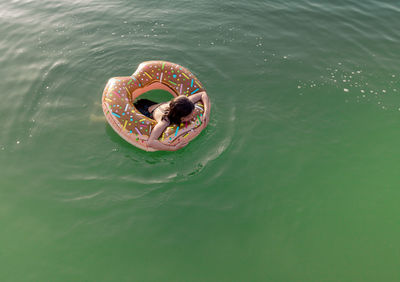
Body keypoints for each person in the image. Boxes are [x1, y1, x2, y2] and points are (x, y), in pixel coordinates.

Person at [134, 92, 210, 151]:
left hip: (154, 105)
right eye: (189, 116)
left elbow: (202, 94)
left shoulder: (186, 105)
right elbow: (151, 142)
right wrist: (173, 148)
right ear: (181, 118)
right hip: (143, 109)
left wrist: (206, 112)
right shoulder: (165, 121)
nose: (193, 116)